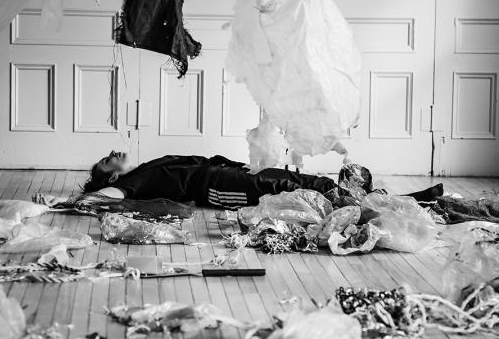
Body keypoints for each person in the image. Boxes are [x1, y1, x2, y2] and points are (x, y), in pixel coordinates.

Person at [81, 150, 443, 209]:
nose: (114, 151)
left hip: (229, 173)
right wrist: (73, 202)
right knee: (295, 192)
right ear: (111, 173)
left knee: (304, 180)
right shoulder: (134, 182)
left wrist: (241, 166)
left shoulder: (146, 167)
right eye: (107, 158)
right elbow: (108, 196)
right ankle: (400, 203)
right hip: (217, 188)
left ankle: (392, 199)